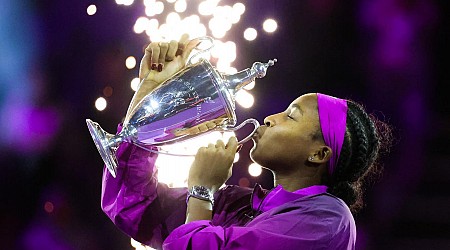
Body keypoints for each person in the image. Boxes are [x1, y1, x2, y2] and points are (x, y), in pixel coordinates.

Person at [101, 35, 392, 250]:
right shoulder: (240, 204)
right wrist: (152, 91)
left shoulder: (327, 220)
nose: (269, 118)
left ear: (319, 153)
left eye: (291, 117)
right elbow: (133, 208)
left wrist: (201, 191)